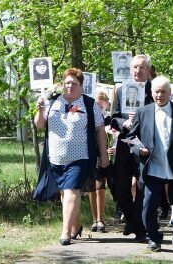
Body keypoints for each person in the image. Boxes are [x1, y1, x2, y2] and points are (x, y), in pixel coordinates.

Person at [34, 68, 109, 245]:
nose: (69, 86)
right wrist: (39, 109)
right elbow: (39, 125)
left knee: (71, 189)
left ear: (81, 86)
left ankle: (65, 232)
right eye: (67, 83)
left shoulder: (89, 104)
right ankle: (76, 226)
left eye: (73, 83)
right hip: (56, 157)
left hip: (81, 156)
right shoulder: (53, 102)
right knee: (64, 193)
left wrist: (104, 155)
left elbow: (99, 130)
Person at [127, 76, 173, 252]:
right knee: (149, 205)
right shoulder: (143, 112)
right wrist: (139, 149)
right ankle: (154, 238)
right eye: (156, 91)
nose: (159, 95)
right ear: (151, 92)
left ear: (170, 93)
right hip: (153, 166)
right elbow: (131, 137)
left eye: (163, 92)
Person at [111, 54, 153, 242]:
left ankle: (140, 226)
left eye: (142, 67)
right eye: (135, 67)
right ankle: (131, 219)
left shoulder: (154, 91)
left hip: (145, 145)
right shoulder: (120, 91)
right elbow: (113, 117)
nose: (138, 71)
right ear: (130, 70)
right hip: (125, 144)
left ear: (148, 70)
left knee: (143, 186)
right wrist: (124, 123)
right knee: (120, 186)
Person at [87, 91, 111, 232]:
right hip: (90, 153)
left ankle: (101, 219)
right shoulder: (89, 119)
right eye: (97, 106)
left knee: (100, 184)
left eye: (102, 107)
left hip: (104, 155)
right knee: (91, 185)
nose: (99, 109)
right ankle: (94, 219)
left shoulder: (109, 120)